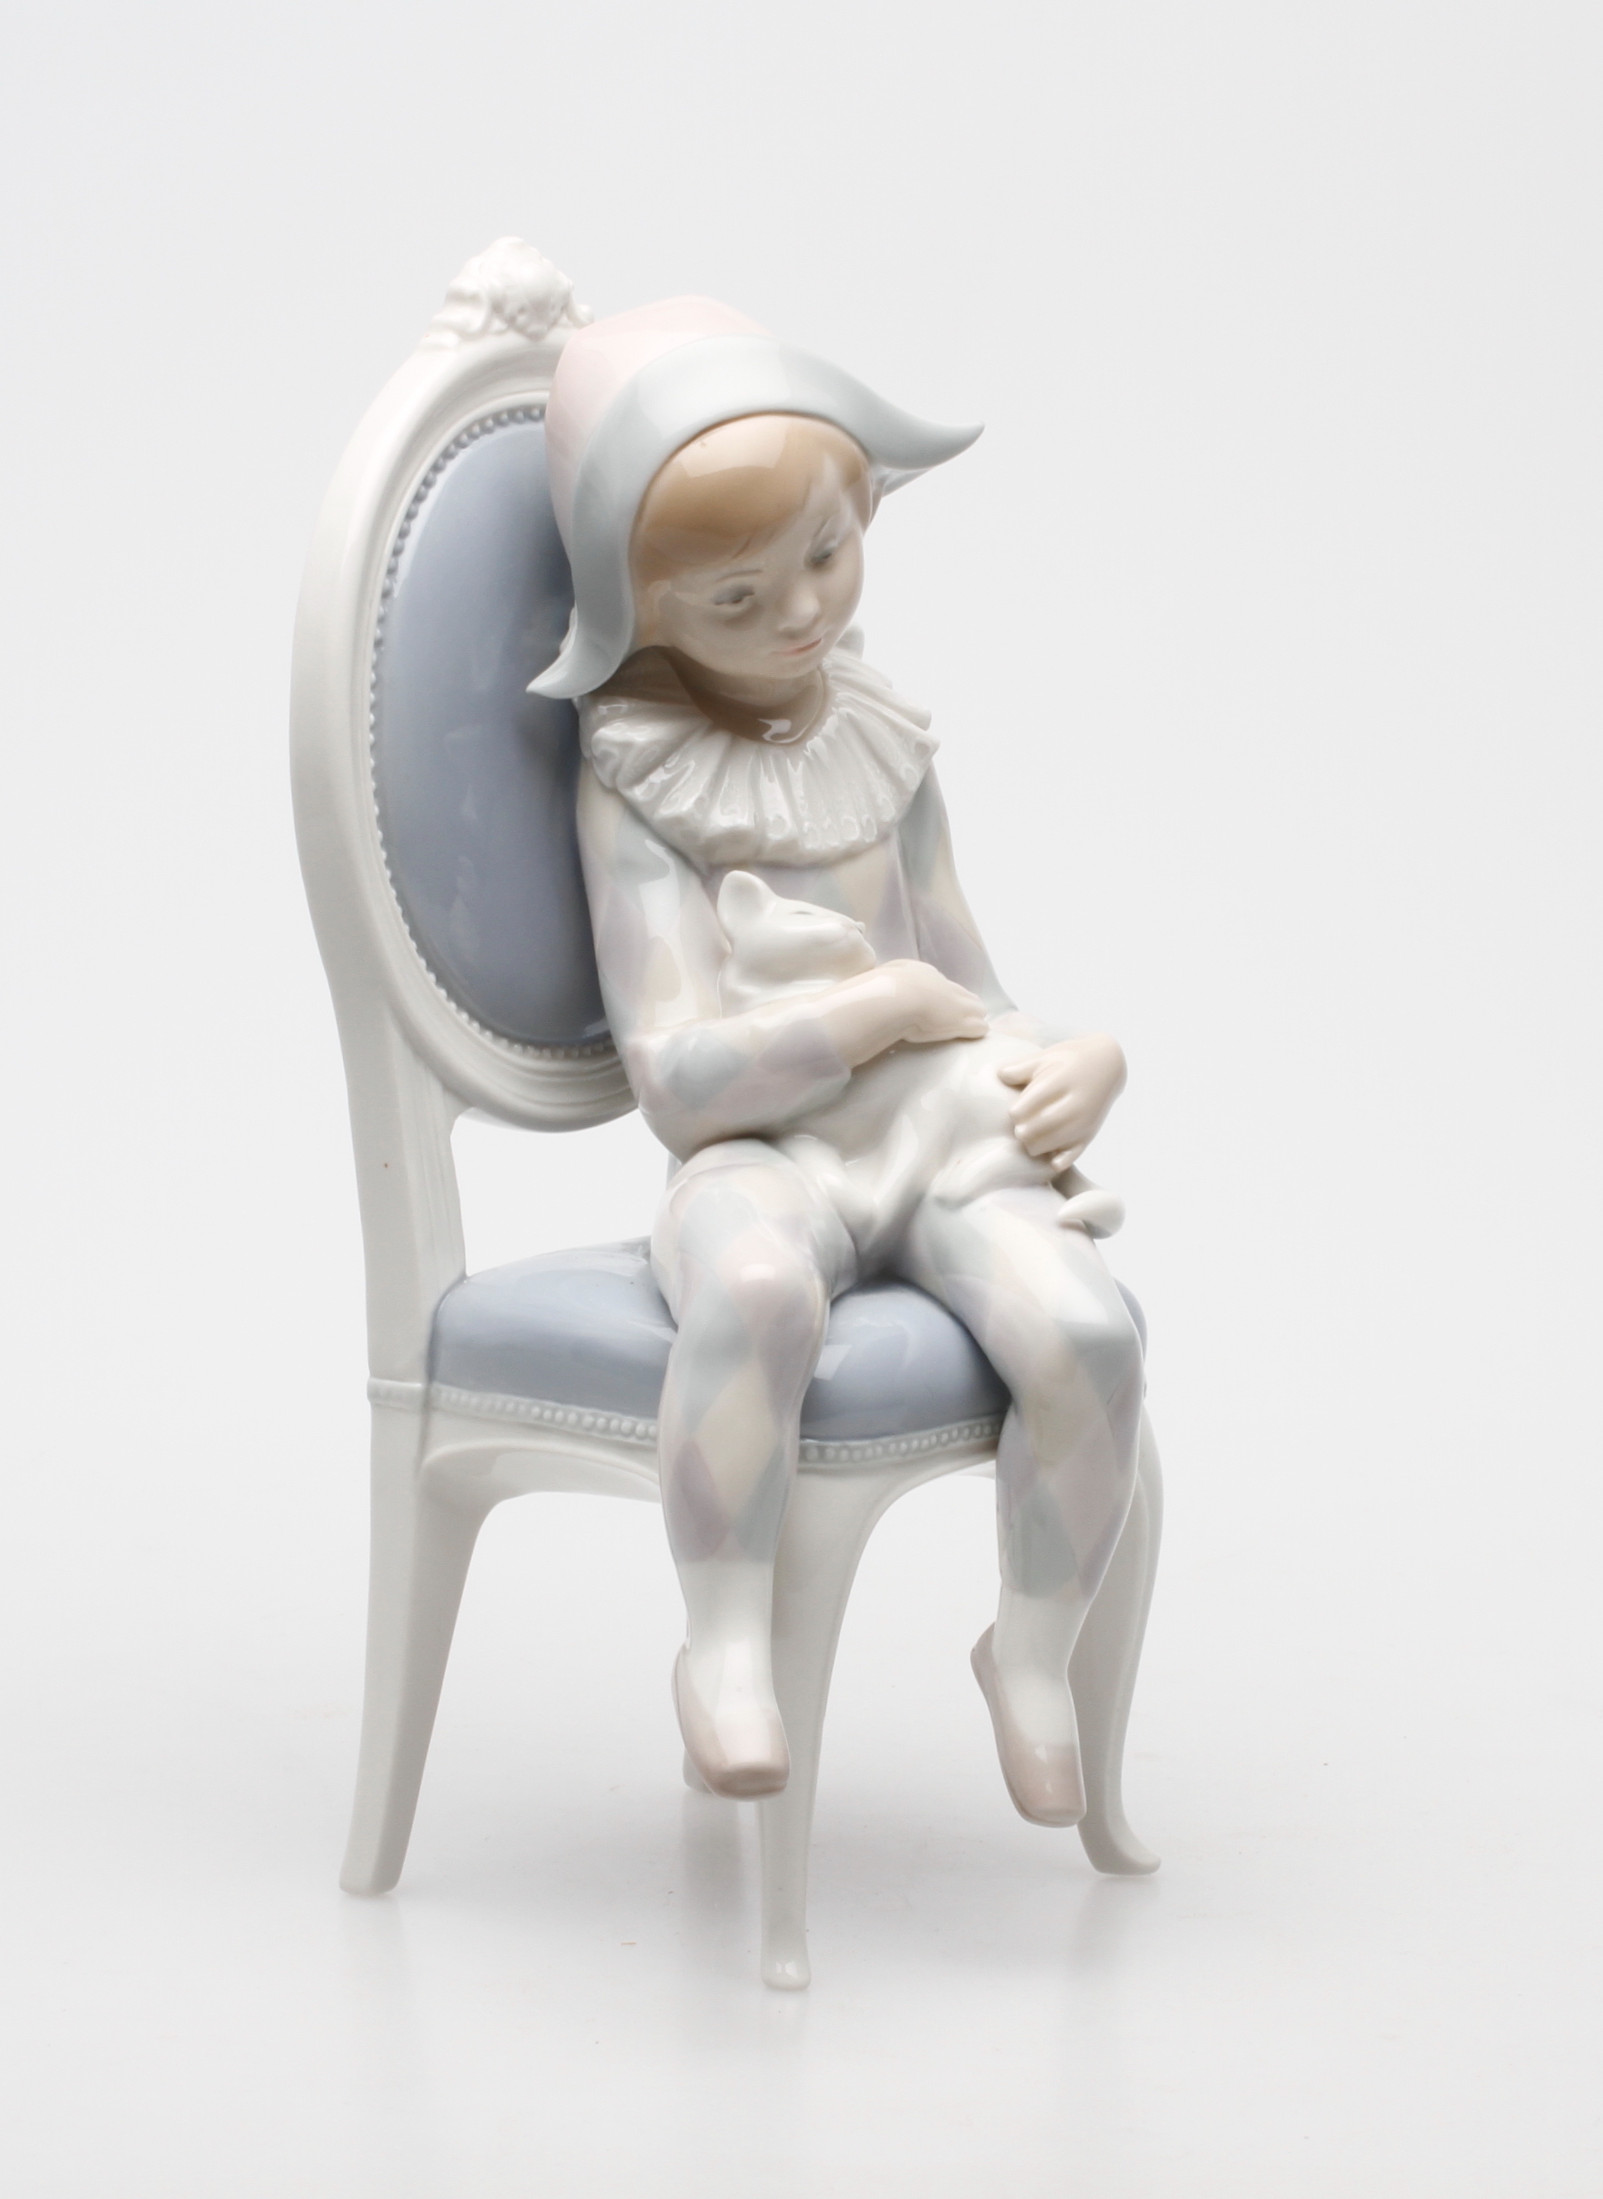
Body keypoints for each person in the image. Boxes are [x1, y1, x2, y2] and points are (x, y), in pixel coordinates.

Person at [530, 299, 1144, 1823]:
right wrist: (866, 1017)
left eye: (824, 551)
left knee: (1088, 1333)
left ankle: (1029, 1647)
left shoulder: (877, 739)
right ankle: (724, 1643)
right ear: (640, 608)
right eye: (734, 597)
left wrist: (1074, 1058)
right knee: (751, 1290)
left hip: (936, 1139)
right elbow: (677, 1080)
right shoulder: (638, 775)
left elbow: (968, 987)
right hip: (762, 1153)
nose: (799, 613)